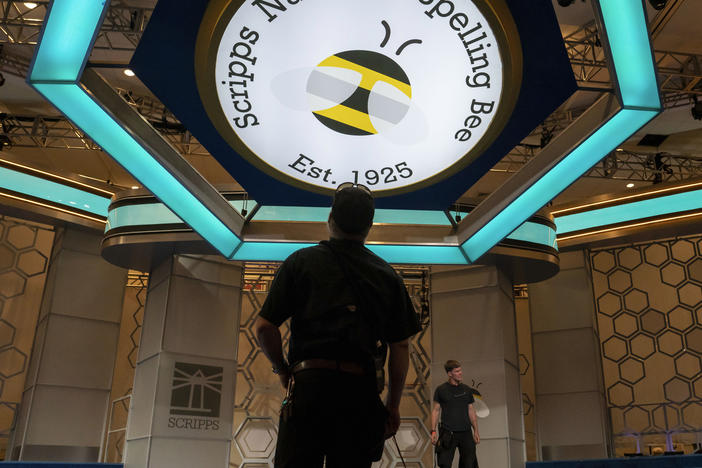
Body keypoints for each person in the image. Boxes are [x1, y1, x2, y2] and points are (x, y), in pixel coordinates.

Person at [254, 183, 421, 468]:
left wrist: (282, 370)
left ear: (330, 218)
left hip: (309, 388)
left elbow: (264, 327)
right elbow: (400, 345)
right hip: (360, 393)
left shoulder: (300, 262)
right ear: (369, 225)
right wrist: (392, 405)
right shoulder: (387, 276)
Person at [431, 360, 481, 468]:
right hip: (448, 432)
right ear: (450, 374)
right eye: (457, 371)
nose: (460, 373)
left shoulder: (466, 390)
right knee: (444, 464)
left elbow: (471, 410)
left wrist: (476, 430)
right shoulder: (441, 390)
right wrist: (433, 431)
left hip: (466, 432)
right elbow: (435, 410)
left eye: (460, 370)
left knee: (469, 464)